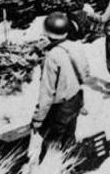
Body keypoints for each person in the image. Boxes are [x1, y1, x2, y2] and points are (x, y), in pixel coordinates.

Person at [32, 12, 90, 162]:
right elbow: (85, 74)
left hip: (60, 108)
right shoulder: (76, 47)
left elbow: (47, 92)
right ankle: (69, 168)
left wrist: (38, 118)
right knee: (69, 138)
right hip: (75, 100)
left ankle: (44, 172)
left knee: (50, 142)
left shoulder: (52, 56)